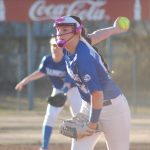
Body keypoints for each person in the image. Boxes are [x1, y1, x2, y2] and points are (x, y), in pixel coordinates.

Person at [54, 15, 131, 150]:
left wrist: (92, 124)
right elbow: (97, 35)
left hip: (113, 110)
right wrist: (114, 29)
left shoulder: (83, 58)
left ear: (77, 31)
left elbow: (97, 94)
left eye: (64, 29)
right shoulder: (74, 45)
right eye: (58, 30)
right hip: (89, 106)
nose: (60, 34)